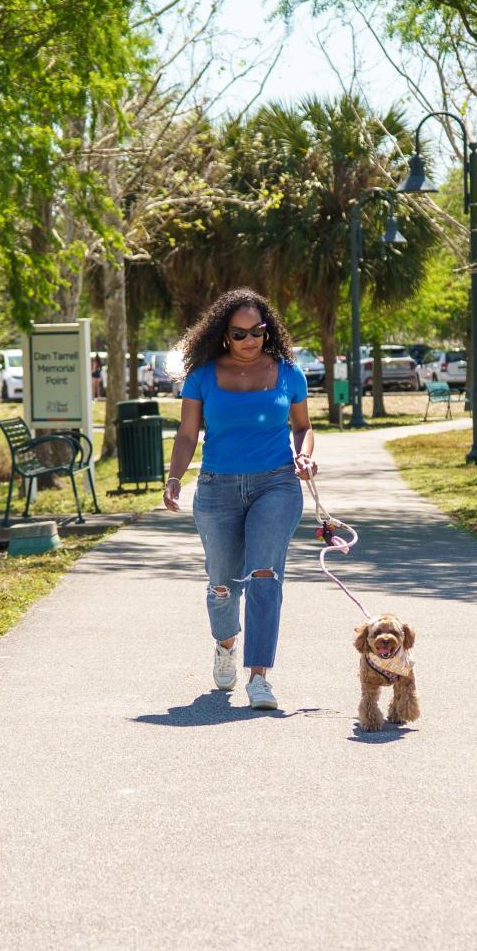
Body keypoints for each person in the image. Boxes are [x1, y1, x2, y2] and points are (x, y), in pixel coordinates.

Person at [164, 288, 317, 710]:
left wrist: (304, 457)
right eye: (240, 333)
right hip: (217, 486)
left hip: (277, 485)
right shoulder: (202, 376)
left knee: (265, 574)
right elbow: (187, 433)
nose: (250, 340)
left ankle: (260, 677)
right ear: (223, 335)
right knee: (223, 582)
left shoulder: (289, 372)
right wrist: (175, 477)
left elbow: (303, 427)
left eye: (258, 331)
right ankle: (226, 645)